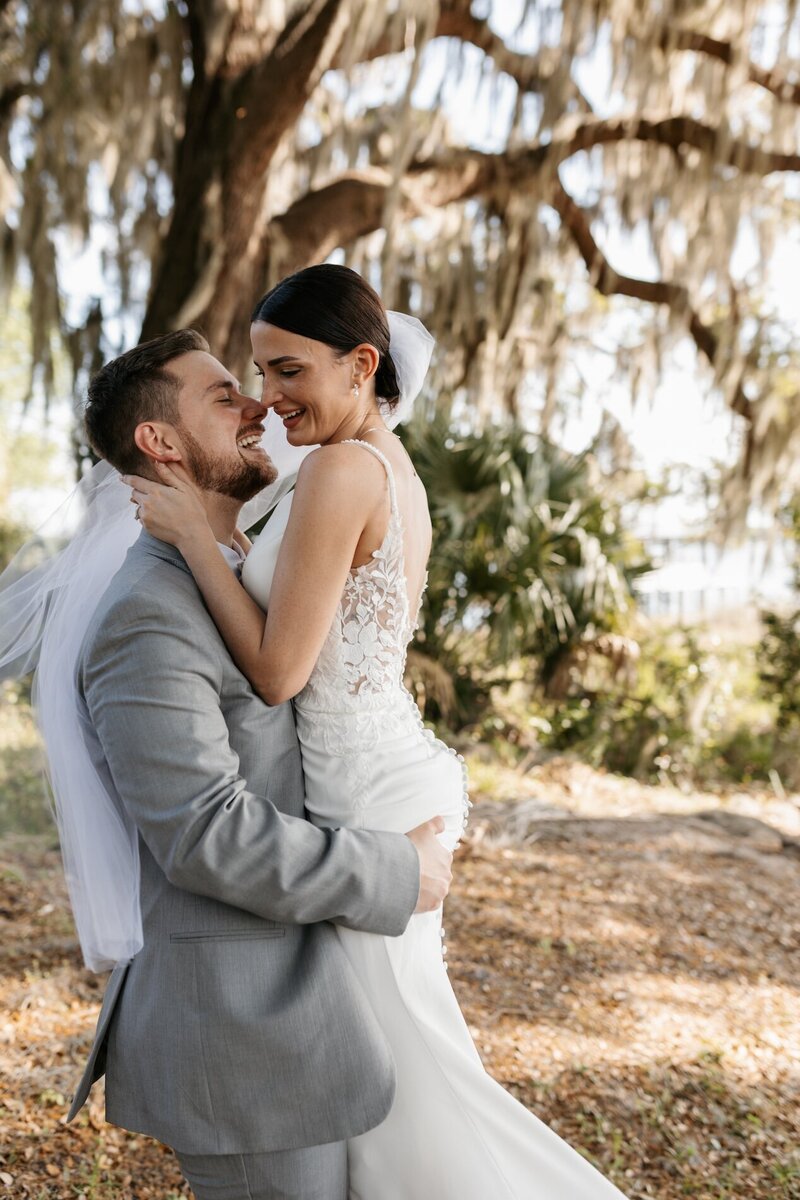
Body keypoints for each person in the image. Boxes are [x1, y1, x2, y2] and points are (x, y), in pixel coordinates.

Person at [128, 264, 630, 1199]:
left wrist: (198, 537)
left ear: (362, 363)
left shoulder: (345, 470)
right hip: (379, 768)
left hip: (367, 789)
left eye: (288, 372)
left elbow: (279, 674)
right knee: (396, 1052)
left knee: (403, 1070)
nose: (270, 399)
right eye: (257, 374)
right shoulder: (383, 463)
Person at [1, 328, 455, 1200]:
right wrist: (401, 869)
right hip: (241, 1037)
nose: (258, 406)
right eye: (223, 398)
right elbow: (207, 834)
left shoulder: (240, 574)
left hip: (311, 1010)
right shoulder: (146, 618)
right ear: (161, 444)